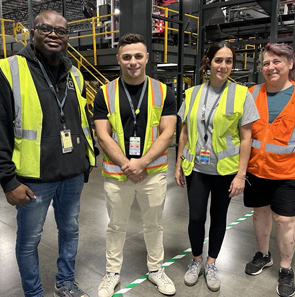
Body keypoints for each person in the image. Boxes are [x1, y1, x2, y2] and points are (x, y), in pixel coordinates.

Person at [0, 10, 95, 297]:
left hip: (71, 173)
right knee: (29, 240)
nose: (54, 35)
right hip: (33, 179)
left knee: (70, 231)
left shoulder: (74, 74)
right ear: (32, 32)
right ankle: (34, 293)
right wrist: (7, 180)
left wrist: (86, 159)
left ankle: (65, 283)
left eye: (61, 31)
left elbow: (80, 120)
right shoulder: (8, 70)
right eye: (46, 29)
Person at [92, 33, 177, 297]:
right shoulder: (105, 93)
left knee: (154, 225)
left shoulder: (163, 91)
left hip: (152, 174)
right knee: (116, 226)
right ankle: (112, 273)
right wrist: (129, 165)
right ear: (118, 58)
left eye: (138, 56)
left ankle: (156, 270)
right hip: (117, 175)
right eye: (126, 56)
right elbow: (102, 135)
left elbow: (168, 132)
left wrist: (142, 162)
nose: (132, 62)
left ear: (147, 58)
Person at [174, 41, 259, 292]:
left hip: (225, 171)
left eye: (228, 61)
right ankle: (196, 260)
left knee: (218, 217)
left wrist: (241, 175)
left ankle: (211, 263)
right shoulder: (193, 93)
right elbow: (184, 133)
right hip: (196, 169)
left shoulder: (242, 94)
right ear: (208, 63)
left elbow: (246, 138)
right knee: (196, 216)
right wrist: (178, 165)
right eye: (218, 60)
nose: (223, 66)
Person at [243, 43, 295, 297]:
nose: (271, 67)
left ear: (291, 64)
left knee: (285, 220)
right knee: (260, 214)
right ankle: (263, 254)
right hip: (256, 170)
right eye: (266, 63)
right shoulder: (251, 94)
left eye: (277, 62)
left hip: (291, 172)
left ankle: (286, 268)